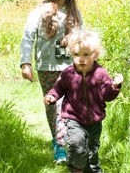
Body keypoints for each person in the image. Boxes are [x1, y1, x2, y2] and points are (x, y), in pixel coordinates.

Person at [20, 0, 84, 164]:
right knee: (53, 105)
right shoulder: (39, 11)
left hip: (70, 68)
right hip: (47, 67)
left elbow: (83, 38)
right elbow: (27, 38)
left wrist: (73, 35)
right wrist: (25, 63)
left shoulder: (76, 12)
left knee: (68, 105)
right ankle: (58, 143)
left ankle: (67, 143)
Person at [44, 30, 124, 173]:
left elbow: (107, 95)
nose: (81, 59)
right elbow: (59, 88)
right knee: (77, 145)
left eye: (86, 55)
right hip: (73, 118)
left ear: (96, 54)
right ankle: (76, 169)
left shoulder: (101, 73)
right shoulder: (68, 73)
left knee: (92, 151)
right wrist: (52, 96)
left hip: (95, 120)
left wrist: (114, 86)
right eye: (76, 55)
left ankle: (92, 170)